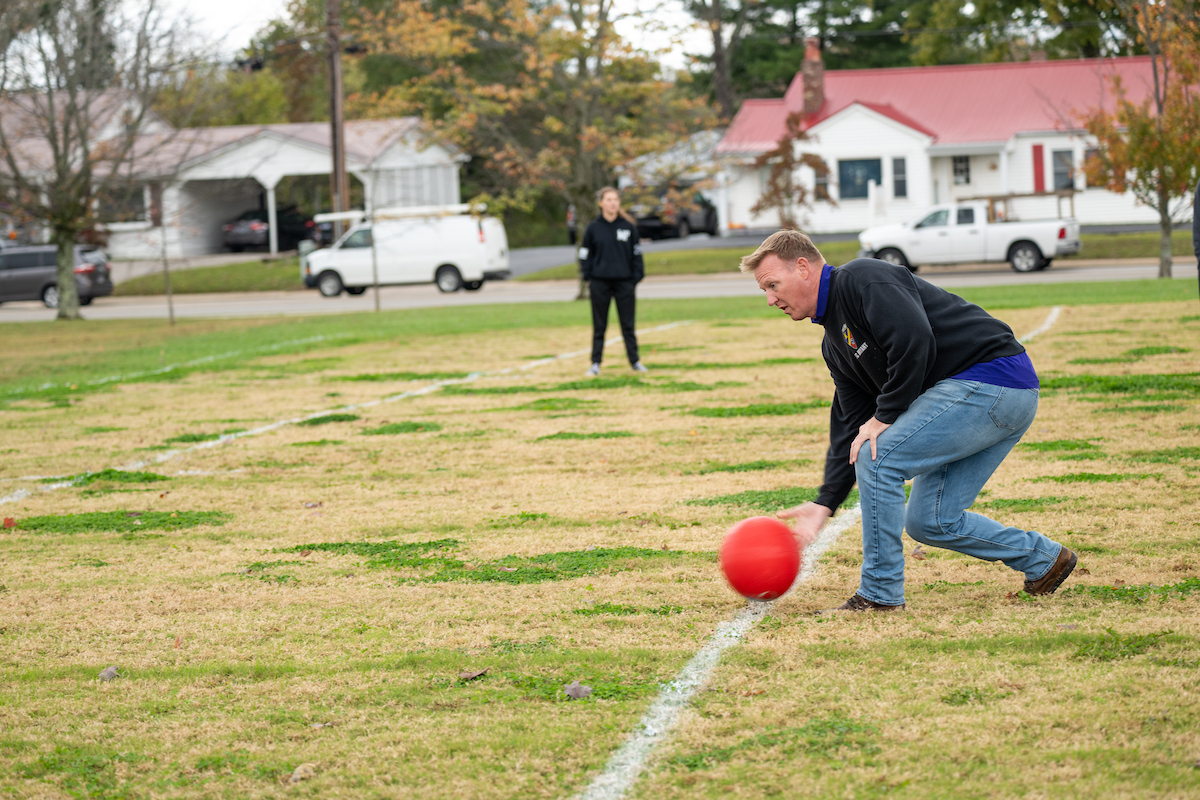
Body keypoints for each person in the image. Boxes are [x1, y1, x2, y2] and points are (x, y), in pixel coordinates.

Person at [739, 230, 1076, 612]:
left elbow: (915, 339)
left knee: (877, 457)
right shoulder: (834, 343)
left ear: (802, 267)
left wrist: (886, 415)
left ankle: (880, 596)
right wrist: (825, 503)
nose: (770, 300)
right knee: (931, 521)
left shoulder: (862, 278)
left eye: (772, 285)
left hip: (993, 382)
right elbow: (851, 426)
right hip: (996, 396)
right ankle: (1044, 559)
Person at [579, 187, 647, 376]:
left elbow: (637, 255)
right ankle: (595, 363)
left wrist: (634, 278)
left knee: (628, 324)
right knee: (600, 325)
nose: (613, 203)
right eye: (609, 199)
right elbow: (584, 254)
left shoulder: (628, 227)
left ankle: (635, 361)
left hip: (624, 283)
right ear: (601, 203)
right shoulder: (593, 228)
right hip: (600, 283)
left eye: (616, 199)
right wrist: (589, 276)